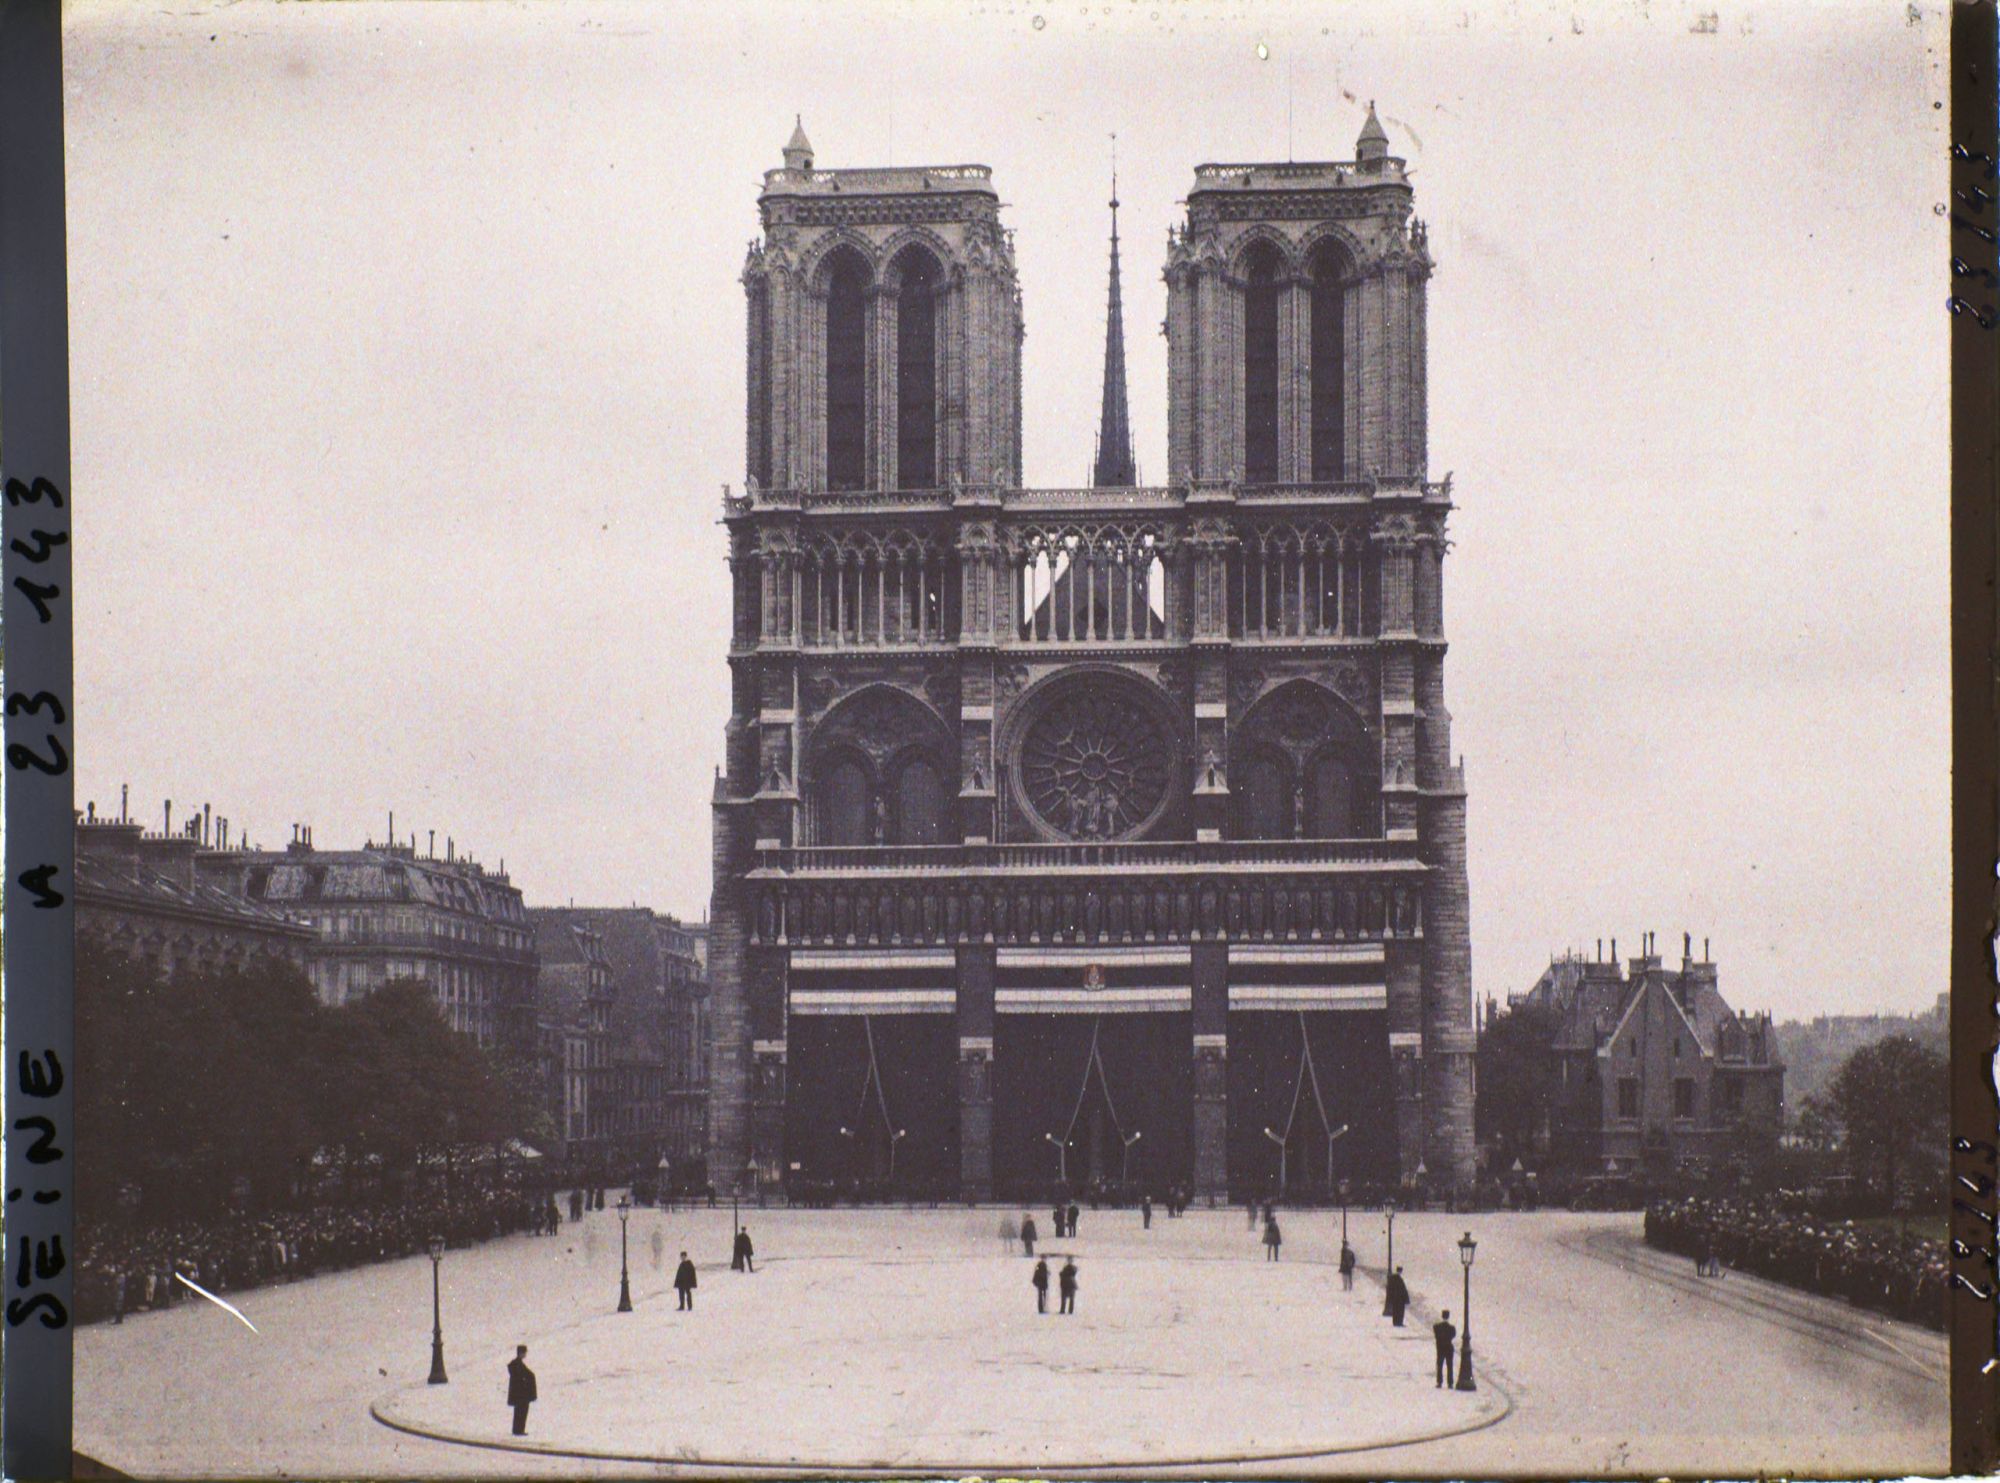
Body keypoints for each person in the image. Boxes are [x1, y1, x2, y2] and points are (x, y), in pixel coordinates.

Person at [506, 1345, 537, 1436]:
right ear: (520, 1353)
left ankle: (518, 1430)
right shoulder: (517, 1365)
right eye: (524, 1352)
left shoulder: (518, 1364)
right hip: (521, 1394)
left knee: (520, 1412)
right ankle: (518, 1430)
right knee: (521, 1412)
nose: (525, 1354)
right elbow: (523, 1377)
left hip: (519, 1394)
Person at [1433, 1310, 1457, 1388]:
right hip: (1449, 1347)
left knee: (1439, 1365)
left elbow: (1436, 1334)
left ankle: (1439, 1382)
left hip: (1440, 1348)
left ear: (1442, 1316)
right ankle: (1450, 1383)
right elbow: (1453, 1335)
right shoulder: (1452, 1328)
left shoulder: (1437, 1327)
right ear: (1448, 1316)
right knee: (1450, 1365)